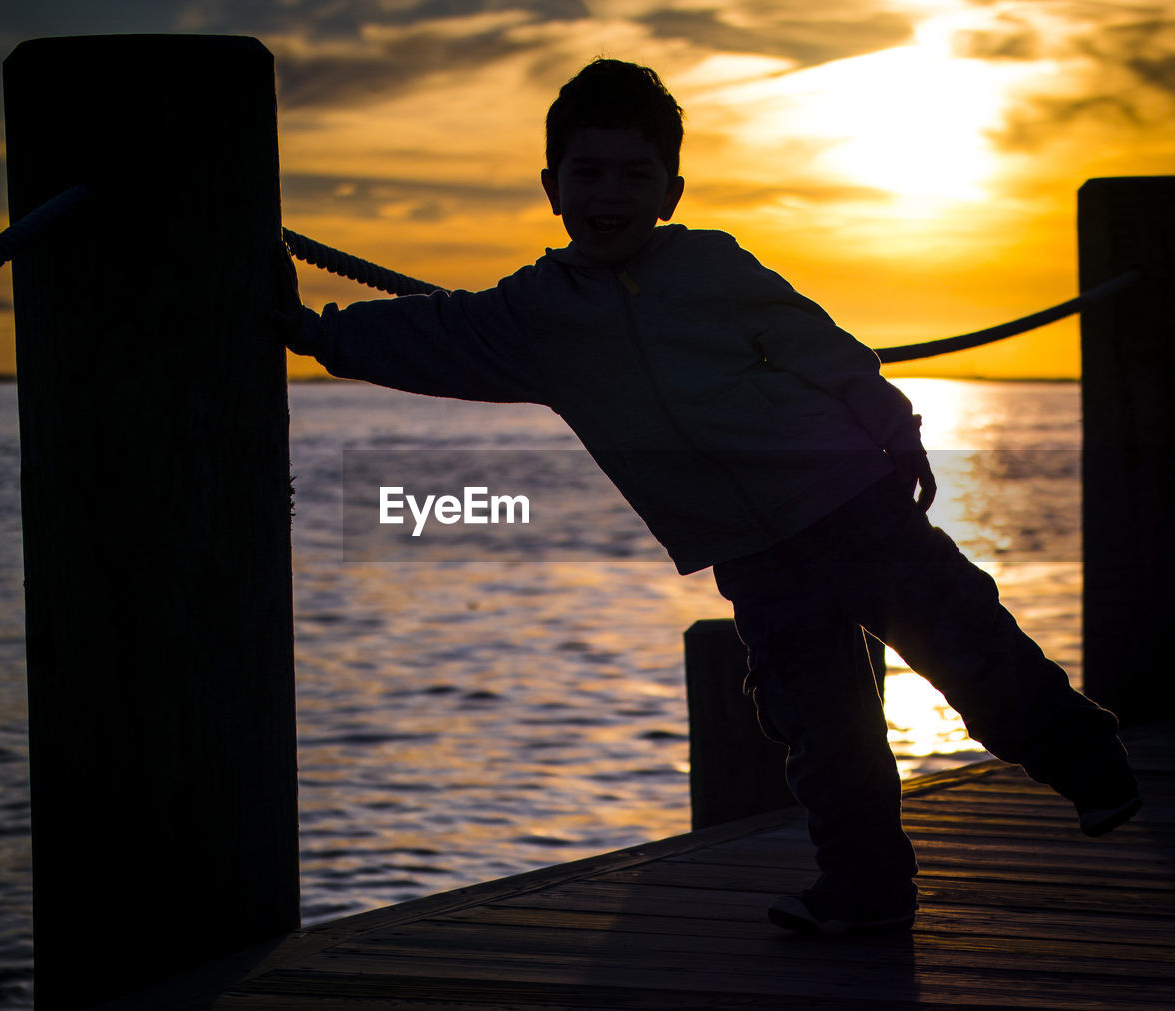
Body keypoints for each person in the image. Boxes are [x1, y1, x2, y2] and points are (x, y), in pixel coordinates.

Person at [273, 58, 1142, 935]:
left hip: (855, 503)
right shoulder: (536, 316)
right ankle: (866, 892)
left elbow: (811, 338)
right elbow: (434, 333)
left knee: (969, 645)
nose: (610, 194)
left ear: (671, 189)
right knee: (819, 726)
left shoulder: (710, 264)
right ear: (551, 186)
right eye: (588, 172)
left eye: (633, 174)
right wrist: (313, 331)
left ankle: (1087, 759)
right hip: (754, 554)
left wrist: (893, 419)